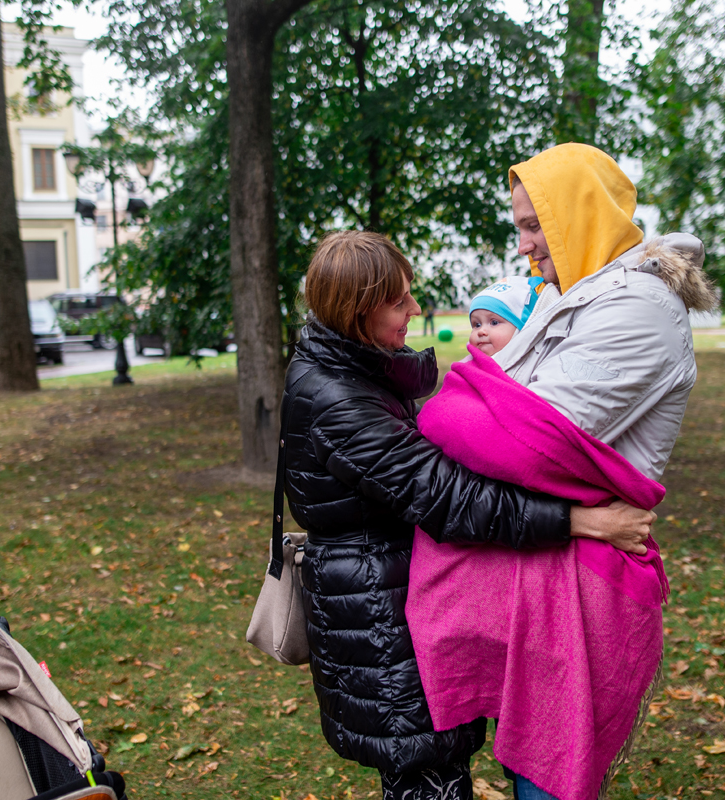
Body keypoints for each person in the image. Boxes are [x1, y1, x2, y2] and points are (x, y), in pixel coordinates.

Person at [281, 230, 655, 800]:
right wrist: (583, 521)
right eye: (399, 299)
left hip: (381, 597)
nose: (414, 308)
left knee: (434, 769)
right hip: (377, 616)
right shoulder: (341, 401)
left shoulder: (354, 373)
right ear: (359, 311)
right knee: (426, 776)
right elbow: (448, 497)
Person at [407, 143, 716, 800]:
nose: (525, 247)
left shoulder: (637, 306)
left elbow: (523, 446)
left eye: (531, 223)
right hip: (548, 564)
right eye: (519, 225)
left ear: (576, 213)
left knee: (552, 776)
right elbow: (503, 416)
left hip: (586, 584)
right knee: (528, 768)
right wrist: (477, 398)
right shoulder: (574, 296)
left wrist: (458, 395)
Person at [467, 276, 543, 356]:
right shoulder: (466, 365)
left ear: (522, 328)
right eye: (477, 325)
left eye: (494, 322)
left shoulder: (536, 363)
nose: (481, 331)